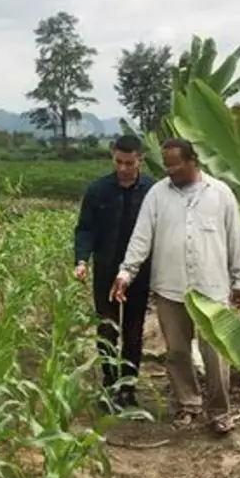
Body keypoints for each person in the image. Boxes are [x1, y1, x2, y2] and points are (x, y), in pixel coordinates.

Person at [110, 137, 240, 435]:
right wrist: (126, 273)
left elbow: (235, 239)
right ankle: (188, 404)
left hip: (211, 289)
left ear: (192, 161)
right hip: (170, 288)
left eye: (176, 165)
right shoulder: (157, 195)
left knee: (215, 353)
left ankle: (219, 411)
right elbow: (141, 238)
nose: (170, 171)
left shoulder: (221, 194)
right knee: (177, 351)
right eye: (166, 166)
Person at [74, 134, 155, 410]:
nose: (123, 168)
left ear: (140, 160)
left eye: (129, 163)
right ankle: (108, 385)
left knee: (134, 332)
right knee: (107, 330)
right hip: (106, 271)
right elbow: (85, 228)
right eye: (119, 162)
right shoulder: (98, 190)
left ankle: (128, 387)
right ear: (113, 157)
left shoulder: (152, 191)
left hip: (139, 274)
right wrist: (81, 260)